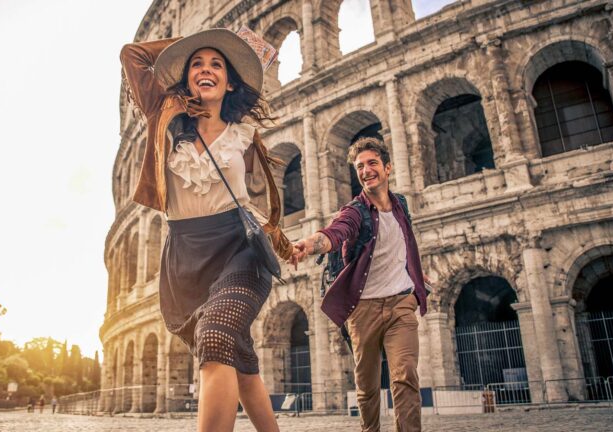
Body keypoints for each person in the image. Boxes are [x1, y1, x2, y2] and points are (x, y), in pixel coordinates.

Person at [120, 26, 291, 432]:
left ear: (231, 82)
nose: (205, 68)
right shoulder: (163, 115)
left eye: (217, 64)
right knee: (242, 364)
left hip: (238, 251)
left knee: (214, 340)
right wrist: (187, 46)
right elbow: (132, 54)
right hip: (184, 254)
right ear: (185, 78)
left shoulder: (245, 136)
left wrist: (282, 242)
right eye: (196, 64)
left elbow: (258, 201)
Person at [291, 137, 430, 432]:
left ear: (387, 168)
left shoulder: (402, 204)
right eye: (360, 166)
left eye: (372, 163)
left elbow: (405, 243)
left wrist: (417, 275)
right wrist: (309, 244)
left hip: (401, 303)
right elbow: (334, 232)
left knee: (405, 374)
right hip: (363, 309)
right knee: (366, 387)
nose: (366, 170)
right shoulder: (355, 211)